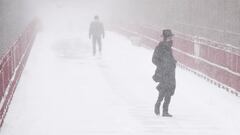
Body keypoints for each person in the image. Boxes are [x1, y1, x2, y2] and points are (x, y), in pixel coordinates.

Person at [152, 29, 177, 117]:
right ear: (166, 38)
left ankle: (165, 111)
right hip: (163, 72)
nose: (171, 39)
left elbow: (169, 58)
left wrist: (173, 62)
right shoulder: (159, 47)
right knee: (163, 90)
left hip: (170, 72)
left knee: (169, 91)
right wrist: (162, 66)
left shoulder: (169, 47)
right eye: (169, 37)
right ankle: (157, 105)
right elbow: (154, 60)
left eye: (171, 37)